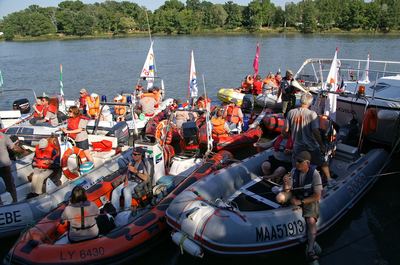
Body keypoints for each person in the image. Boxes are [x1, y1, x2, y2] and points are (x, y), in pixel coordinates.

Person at [275, 151, 323, 262]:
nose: (296, 163)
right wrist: (286, 183)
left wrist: (300, 202)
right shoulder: (293, 171)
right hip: (296, 195)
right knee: (280, 197)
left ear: (307, 163)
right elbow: (288, 190)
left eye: (299, 161)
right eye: (296, 160)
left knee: (311, 221)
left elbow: (317, 196)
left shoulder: (315, 174)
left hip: (308, 198)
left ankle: (310, 249)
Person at [284, 93, 334, 187]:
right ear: (310, 103)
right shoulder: (312, 114)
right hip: (311, 146)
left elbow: (285, 130)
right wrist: (322, 145)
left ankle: (289, 185)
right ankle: (329, 179)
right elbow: (315, 132)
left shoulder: (291, 112)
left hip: (297, 146)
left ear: (300, 101)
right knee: (323, 162)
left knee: (295, 167)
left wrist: (291, 137)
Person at [112, 147, 151, 211]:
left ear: (140, 155)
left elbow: (146, 178)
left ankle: (127, 211)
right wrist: (126, 180)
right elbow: (127, 172)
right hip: (130, 181)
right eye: (132, 154)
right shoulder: (131, 162)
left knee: (126, 190)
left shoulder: (144, 164)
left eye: (135, 154)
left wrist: (136, 172)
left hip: (138, 183)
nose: (133, 156)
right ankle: (115, 210)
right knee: (115, 191)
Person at [0, 132, 25, 203]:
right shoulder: (3, 136)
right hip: (5, 165)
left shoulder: (3, 136)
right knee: (10, 185)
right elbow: (14, 147)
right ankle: (15, 201)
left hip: (5, 165)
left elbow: (13, 147)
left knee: (10, 185)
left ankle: (2, 204)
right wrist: (23, 151)